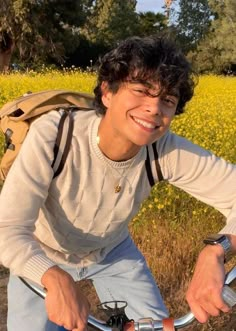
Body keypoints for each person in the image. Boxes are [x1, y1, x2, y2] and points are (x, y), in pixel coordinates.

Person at [0, 35, 235, 331]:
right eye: (140, 91)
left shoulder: (164, 149)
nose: (154, 108)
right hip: (41, 249)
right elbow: (8, 230)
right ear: (107, 92)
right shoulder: (56, 134)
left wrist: (218, 249)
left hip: (112, 251)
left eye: (168, 100)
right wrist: (52, 275)